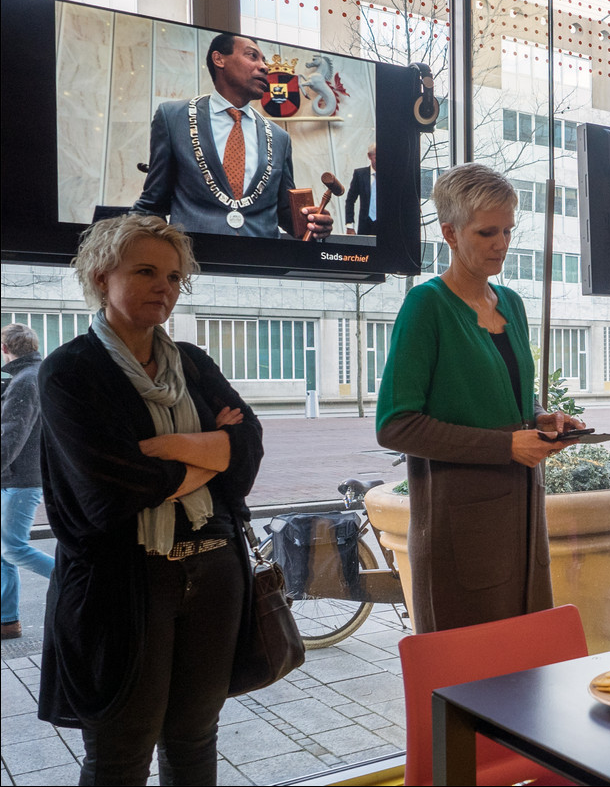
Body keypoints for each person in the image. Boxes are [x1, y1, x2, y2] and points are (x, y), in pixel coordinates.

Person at [36, 214, 264, 785]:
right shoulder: (70, 371)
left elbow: (249, 451)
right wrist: (211, 454)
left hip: (215, 573)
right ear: (100, 274)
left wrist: (168, 452)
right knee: (121, 751)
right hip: (122, 585)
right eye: (145, 271)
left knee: (194, 740)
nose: (164, 286)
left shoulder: (193, 362)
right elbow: (110, 493)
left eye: (173, 276)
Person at [375, 163, 581, 634]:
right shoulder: (426, 305)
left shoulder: (511, 303)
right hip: (459, 528)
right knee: (472, 679)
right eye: (487, 231)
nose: (502, 243)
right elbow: (395, 424)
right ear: (448, 232)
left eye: (508, 229)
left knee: (527, 670)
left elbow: (508, 406)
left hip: (524, 519)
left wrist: (542, 420)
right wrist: (506, 446)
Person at [132, 33, 332, 240]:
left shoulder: (279, 137)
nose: (264, 67)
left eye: (264, 60)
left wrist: (314, 224)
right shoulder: (174, 118)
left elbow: (285, 213)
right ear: (219, 59)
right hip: (194, 264)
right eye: (252, 56)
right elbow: (152, 204)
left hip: (262, 266)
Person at [1, 324, 53, 641]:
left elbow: (11, 437)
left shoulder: (25, 381)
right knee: (3, 551)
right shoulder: (30, 376)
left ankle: (82, 582)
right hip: (17, 477)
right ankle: (7, 620)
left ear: (6, 348)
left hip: (21, 479)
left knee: (14, 548)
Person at [344, 144, 377, 235]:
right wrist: (349, 226)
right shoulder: (360, 175)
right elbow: (350, 200)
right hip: (365, 226)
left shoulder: (391, 176)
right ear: (369, 156)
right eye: (377, 156)